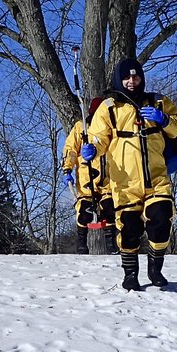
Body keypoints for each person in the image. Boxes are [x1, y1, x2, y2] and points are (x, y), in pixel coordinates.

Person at [81, 58, 177, 290]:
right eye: (126, 77)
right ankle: (130, 273)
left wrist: (164, 120)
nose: (131, 81)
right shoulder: (108, 107)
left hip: (157, 178)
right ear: (119, 79)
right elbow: (99, 138)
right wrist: (92, 150)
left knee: (161, 218)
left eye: (135, 76)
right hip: (125, 183)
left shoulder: (157, 101)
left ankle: (155, 269)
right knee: (129, 228)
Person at [61, 96, 117, 254]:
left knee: (110, 209)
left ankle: (111, 242)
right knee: (85, 211)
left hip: (107, 181)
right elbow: (70, 149)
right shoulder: (81, 128)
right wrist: (67, 168)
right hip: (87, 181)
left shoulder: (112, 130)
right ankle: (81, 241)